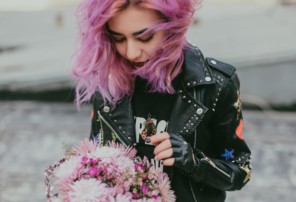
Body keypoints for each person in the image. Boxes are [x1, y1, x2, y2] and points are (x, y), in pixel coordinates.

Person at [72, 0, 252, 201]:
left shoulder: (216, 85)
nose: (131, 52)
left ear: (172, 26)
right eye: (118, 38)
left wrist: (194, 162)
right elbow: (94, 158)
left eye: (145, 37)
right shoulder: (109, 82)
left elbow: (240, 170)